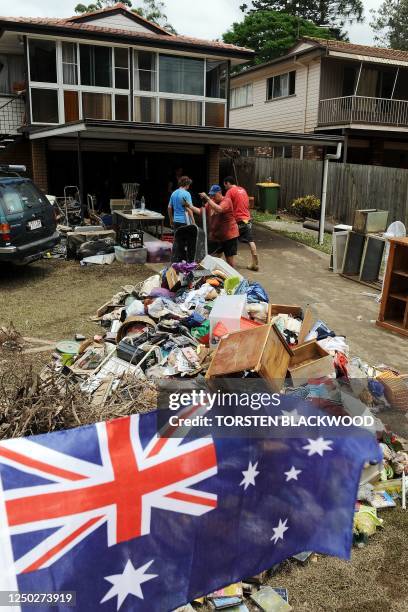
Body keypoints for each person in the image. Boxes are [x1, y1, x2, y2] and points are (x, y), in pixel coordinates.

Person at [188, 184, 239, 268]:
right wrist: (190, 206)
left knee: (229, 261)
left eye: (214, 195)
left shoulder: (227, 201)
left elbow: (219, 209)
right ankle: (218, 275)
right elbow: (201, 212)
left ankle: (233, 278)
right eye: (211, 195)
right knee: (212, 257)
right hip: (217, 236)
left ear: (219, 193)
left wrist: (207, 198)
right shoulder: (212, 202)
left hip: (229, 236)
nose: (212, 197)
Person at [223, 176, 259, 271]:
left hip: (238, 219)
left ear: (227, 183)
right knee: (250, 239)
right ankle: (254, 261)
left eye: (225, 185)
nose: (225, 187)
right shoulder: (242, 189)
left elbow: (225, 204)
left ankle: (230, 262)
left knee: (231, 239)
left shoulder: (230, 192)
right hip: (247, 218)